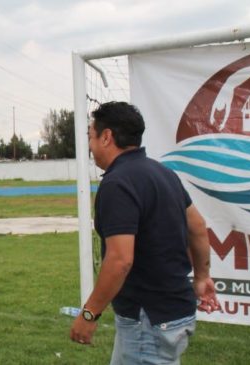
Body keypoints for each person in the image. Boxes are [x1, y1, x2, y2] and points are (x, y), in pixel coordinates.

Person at [69, 102, 220, 364]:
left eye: (91, 137)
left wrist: (89, 314)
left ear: (107, 137)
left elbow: (120, 260)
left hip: (148, 321)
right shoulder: (164, 173)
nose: (90, 147)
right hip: (170, 314)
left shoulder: (118, 183)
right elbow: (197, 226)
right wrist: (202, 276)